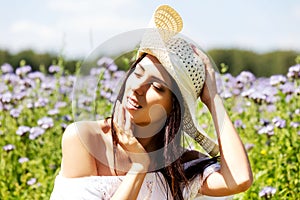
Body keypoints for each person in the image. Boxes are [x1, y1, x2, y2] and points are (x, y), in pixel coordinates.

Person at [50, 5, 252, 200]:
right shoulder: (86, 139)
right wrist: (139, 167)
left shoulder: (180, 166)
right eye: (137, 72)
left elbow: (240, 179)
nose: (137, 87)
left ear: (174, 106)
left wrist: (212, 98)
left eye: (156, 86)